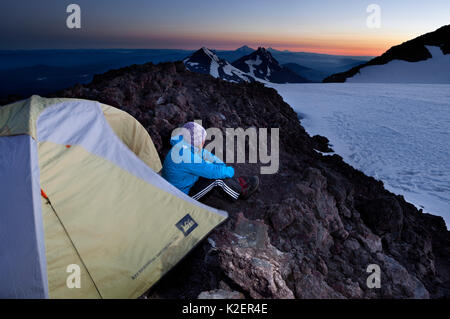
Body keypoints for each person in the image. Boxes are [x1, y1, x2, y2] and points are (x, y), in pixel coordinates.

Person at [162, 122, 259, 201]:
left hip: (180, 185)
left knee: (214, 169)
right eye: (202, 141)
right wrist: (230, 171)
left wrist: (220, 164)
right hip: (181, 198)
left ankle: (235, 183)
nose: (203, 143)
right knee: (217, 179)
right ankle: (240, 191)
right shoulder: (186, 156)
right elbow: (212, 171)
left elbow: (204, 154)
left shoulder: (182, 146)